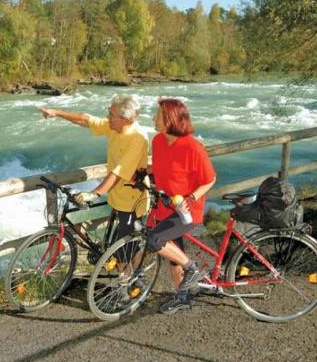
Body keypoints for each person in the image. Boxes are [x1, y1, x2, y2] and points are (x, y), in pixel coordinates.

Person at [40, 94, 149, 248]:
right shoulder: (114, 127)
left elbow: (119, 172)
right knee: (116, 247)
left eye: (111, 115)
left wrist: (94, 193)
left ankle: (134, 272)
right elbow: (86, 120)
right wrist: (57, 113)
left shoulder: (138, 138)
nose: (107, 117)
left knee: (125, 250)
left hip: (132, 201)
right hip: (116, 196)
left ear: (126, 120)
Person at [149, 97, 216, 314]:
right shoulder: (158, 141)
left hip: (186, 210)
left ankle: (192, 269)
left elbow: (210, 179)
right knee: (173, 253)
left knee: (155, 240)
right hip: (164, 205)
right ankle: (182, 297)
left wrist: (192, 198)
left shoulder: (193, 147)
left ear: (170, 119)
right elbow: (162, 168)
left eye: (158, 116)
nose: (154, 118)